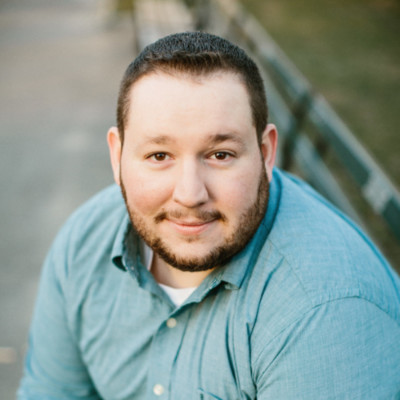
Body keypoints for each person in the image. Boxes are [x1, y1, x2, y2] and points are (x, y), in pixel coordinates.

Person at [18, 32, 400, 399]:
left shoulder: (326, 310)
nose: (190, 194)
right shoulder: (84, 244)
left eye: (220, 155)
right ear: (117, 158)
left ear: (266, 154)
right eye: (159, 156)